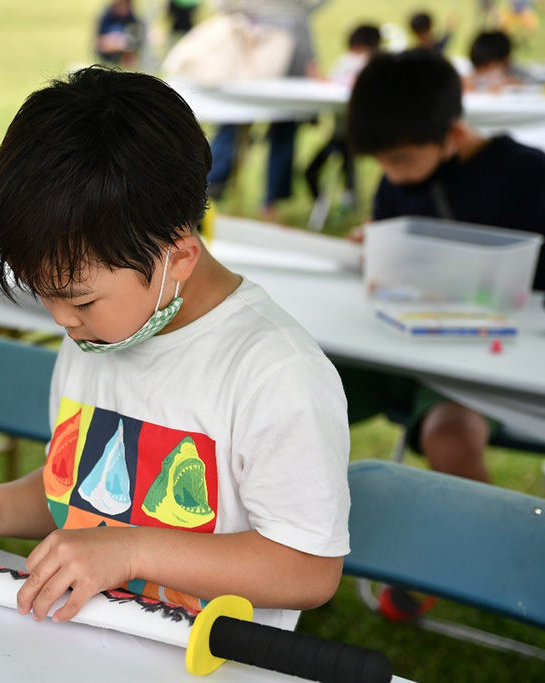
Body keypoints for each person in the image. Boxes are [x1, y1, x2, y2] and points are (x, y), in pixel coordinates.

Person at [0, 67, 350, 631]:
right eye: (46, 297)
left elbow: (309, 567)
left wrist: (132, 552)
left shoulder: (277, 373)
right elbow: (75, 495)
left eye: (80, 301)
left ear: (178, 257)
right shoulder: (95, 334)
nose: (62, 320)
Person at [345, 49, 545, 619]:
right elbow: (393, 242)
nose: (392, 174)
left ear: (454, 132)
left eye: (402, 159)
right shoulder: (401, 180)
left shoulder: (527, 178)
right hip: (392, 344)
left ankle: (467, 563)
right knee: (294, 388)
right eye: (381, 161)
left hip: (481, 359)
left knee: (451, 434)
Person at [207, 0, 326, 221]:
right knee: (235, 123)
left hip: (278, 44)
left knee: (277, 126)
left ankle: (266, 200)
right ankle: (210, 190)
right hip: (253, 45)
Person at [303, 24, 381, 213]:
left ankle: (346, 204)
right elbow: (333, 85)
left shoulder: (372, 66)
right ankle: (326, 206)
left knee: (342, 169)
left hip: (352, 135)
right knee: (314, 171)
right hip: (340, 135)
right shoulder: (350, 63)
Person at [95, 0, 143, 67]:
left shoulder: (131, 19)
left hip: (125, 55)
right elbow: (99, 42)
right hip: (109, 55)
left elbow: (137, 39)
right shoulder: (108, 17)